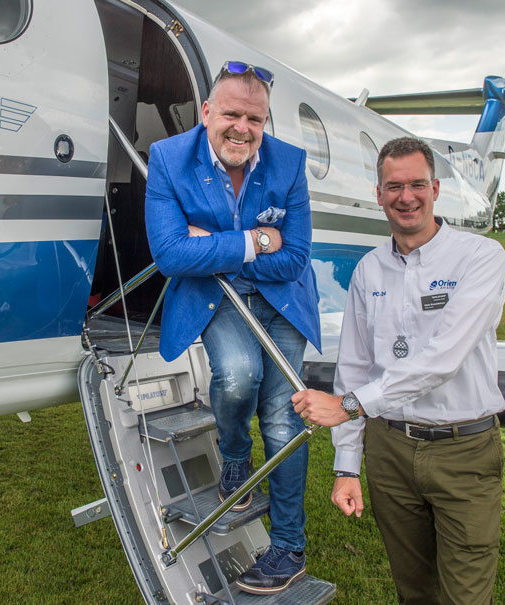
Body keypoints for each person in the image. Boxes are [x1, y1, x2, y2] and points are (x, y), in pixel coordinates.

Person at [291, 137, 505, 604]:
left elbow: (442, 358)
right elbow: (353, 366)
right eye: (393, 186)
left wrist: (349, 407)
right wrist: (347, 466)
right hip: (389, 452)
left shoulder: (481, 257)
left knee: (466, 596)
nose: (405, 197)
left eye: (415, 185)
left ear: (434, 189)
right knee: (414, 592)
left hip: (463, 452)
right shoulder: (368, 270)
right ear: (378, 194)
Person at [145, 61, 320, 595]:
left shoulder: (288, 163)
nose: (242, 127)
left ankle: (288, 547)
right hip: (215, 299)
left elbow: (295, 259)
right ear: (206, 112)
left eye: (255, 118)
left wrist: (214, 246)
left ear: (265, 122)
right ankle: (236, 464)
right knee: (238, 375)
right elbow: (171, 255)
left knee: (284, 419)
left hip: (281, 301)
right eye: (231, 114)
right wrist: (257, 239)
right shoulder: (170, 158)